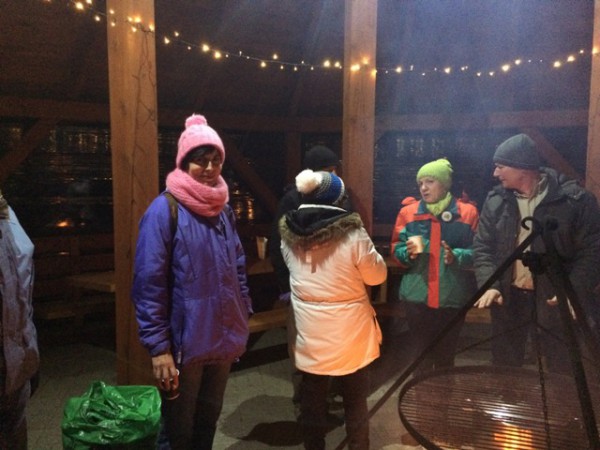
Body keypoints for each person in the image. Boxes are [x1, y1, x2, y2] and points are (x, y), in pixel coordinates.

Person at [131, 114, 253, 449]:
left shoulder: (223, 211)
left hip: (223, 338)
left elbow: (237, 267)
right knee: (178, 432)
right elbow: (148, 285)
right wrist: (159, 349)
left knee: (207, 424)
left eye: (216, 160)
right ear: (184, 162)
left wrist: (243, 311)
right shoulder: (164, 210)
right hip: (185, 345)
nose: (210, 168)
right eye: (201, 160)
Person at [473, 133, 600, 374]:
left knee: (561, 369)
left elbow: (593, 251)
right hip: (509, 299)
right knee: (504, 367)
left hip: (554, 300)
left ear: (522, 168)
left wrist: (573, 290)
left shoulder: (574, 201)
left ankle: (560, 400)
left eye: (501, 166)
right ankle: (509, 399)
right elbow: (483, 247)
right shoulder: (497, 201)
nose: (495, 173)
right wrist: (490, 285)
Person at [279, 169, 387, 450]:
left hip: (311, 332)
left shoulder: (288, 233)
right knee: (355, 399)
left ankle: (314, 446)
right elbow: (376, 276)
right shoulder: (352, 233)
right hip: (351, 334)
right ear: (338, 200)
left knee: (312, 399)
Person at [269, 144, 348, 420]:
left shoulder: (340, 198)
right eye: (327, 170)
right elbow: (277, 244)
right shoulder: (292, 200)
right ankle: (305, 404)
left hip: (333, 290)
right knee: (301, 347)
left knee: (331, 346)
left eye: (334, 170)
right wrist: (285, 287)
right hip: (301, 289)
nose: (332, 175)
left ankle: (325, 399)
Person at [390, 158, 479, 376]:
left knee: (445, 359)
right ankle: (418, 397)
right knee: (419, 357)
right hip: (416, 296)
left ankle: (443, 398)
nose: (424, 188)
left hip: (451, 296)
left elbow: (479, 252)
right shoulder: (408, 212)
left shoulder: (468, 213)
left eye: (430, 181)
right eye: (421, 183)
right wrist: (407, 254)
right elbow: (396, 248)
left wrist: (457, 256)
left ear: (445, 184)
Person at [0, 190, 39, 450]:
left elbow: (22, 293)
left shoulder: (7, 218)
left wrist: (29, 352)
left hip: (14, 367)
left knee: (15, 433)